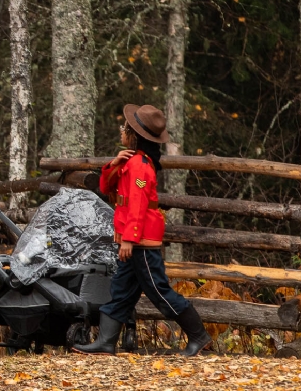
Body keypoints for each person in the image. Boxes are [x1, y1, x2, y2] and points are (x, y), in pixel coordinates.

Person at [74, 105, 212, 357]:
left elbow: (137, 205)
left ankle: (198, 336)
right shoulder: (130, 161)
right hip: (133, 240)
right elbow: (106, 187)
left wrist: (129, 240)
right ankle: (106, 343)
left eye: (124, 129)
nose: (121, 131)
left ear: (134, 135)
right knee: (120, 291)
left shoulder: (140, 166)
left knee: (159, 291)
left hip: (140, 241)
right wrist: (113, 163)